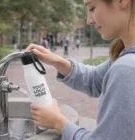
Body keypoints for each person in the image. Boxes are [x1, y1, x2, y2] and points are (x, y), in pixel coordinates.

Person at [25, 0, 135, 139]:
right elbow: (96, 79)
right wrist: (56, 60)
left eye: (92, 8)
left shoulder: (126, 68)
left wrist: (58, 122)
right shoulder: (124, 54)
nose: (89, 20)